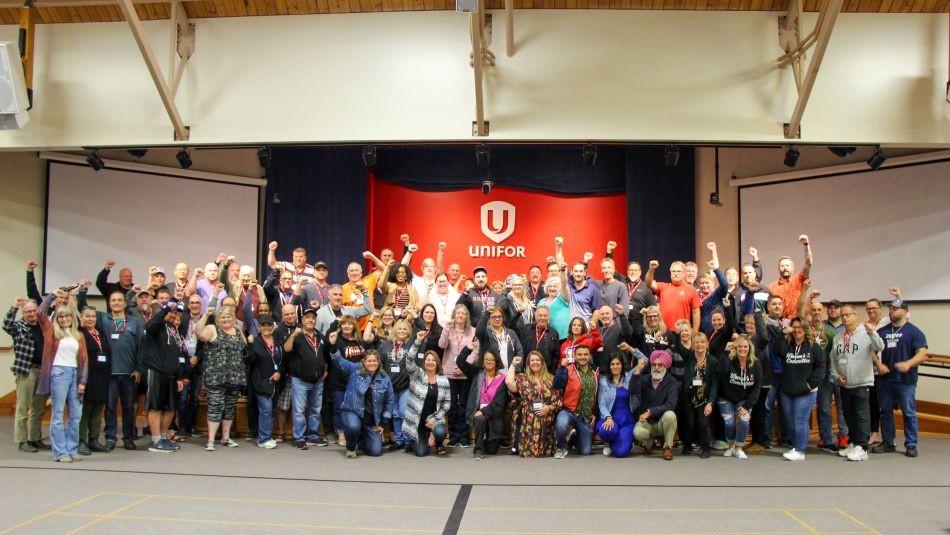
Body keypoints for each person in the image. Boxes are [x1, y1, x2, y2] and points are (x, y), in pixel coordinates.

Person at [36, 291, 88, 463]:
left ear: (72, 318)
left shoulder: (78, 336)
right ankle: (60, 452)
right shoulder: (52, 332)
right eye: (61, 316)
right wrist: (51, 296)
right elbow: (40, 313)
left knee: (76, 415)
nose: (64, 319)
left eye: (67, 316)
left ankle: (72, 449)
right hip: (59, 373)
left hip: (75, 374)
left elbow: (84, 360)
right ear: (57, 318)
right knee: (58, 413)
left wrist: (82, 382)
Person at [873, 299, 929, 458]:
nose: (891, 311)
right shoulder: (882, 331)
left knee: (909, 413)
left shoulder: (914, 332)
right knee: (885, 412)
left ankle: (911, 444)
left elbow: (923, 354)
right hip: (885, 379)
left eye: (895, 309)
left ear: (904, 312)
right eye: (890, 309)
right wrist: (878, 364)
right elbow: (871, 350)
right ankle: (888, 443)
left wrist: (908, 363)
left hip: (905, 381)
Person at [830, 305, 884, 462]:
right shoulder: (838, 337)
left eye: (848, 315)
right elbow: (833, 359)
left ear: (855, 316)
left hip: (861, 382)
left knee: (861, 416)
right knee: (849, 415)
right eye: (842, 315)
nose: (845, 318)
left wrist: (872, 333)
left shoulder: (866, 333)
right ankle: (853, 443)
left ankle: (862, 448)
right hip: (844, 383)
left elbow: (880, 346)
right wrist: (835, 375)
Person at [774, 296, 825, 462]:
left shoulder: (813, 346)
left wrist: (811, 384)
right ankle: (796, 447)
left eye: (799, 327)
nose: (796, 330)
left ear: (805, 328)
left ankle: (800, 450)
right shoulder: (787, 344)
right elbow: (777, 351)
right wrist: (783, 333)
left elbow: (820, 366)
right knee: (789, 421)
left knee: (800, 420)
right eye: (794, 327)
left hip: (806, 391)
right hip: (787, 390)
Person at [138, 299, 188, 453]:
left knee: (171, 408)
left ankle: (163, 437)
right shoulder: (157, 326)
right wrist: (165, 310)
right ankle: (155, 440)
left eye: (176, 314)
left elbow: (178, 356)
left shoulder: (175, 332)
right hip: (155, 371)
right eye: (171, 313)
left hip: (171, 374)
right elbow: (149, 326)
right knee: (155, 406)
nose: (174, 316)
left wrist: (179, 376)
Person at [196, 305, 247, 450]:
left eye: (229, 317)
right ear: (219, 318)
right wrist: (205, 315)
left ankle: (226, 438)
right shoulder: (213, 329)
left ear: (233, 318)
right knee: (215, 407)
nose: (226, 319)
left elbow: (245, 347)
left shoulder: (238, 331)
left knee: (230, 407)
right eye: (223, 317)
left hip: (235, 376)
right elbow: (198, 332)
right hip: (216, 376)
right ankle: (211, 440)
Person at [98, 290, 144, 451]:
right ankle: (110, 438)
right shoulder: (103, 319)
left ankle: (128, 437)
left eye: (119, 300)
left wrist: (138, 369)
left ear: (125, 303)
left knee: (129, 408)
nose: (116, 303)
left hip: (129, 373)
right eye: (113, 300)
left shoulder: (134, 321)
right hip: (109, 373)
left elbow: (141, 347)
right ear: (109, 303)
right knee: (110, 407)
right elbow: (83, 310)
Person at [4, 296, 51, 453]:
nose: (31, 313)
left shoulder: (43, 325)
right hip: (27, 370)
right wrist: (14, 307)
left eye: (33, 310)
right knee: (23, 407)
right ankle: (22, 440)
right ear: (23, 313)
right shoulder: (18, 326)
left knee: (38, 407)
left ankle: (35, 438)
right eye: (28, 311)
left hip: (43, 370)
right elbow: (6, 324)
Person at [330, 348, 395, 458]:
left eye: (374, 361)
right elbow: (339, 361)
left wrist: (383, 424)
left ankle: (360, 440)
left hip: (372, 420)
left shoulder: (385, 379)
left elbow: (390, 401)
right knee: (353, 427)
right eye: (369, 361)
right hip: (353, 412)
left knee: (376, 451)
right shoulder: (355, 371)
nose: (372, 363)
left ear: (379, 362)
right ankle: (350, 447)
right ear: (364, 362)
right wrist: (332, 346)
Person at [282, 308, 330, 450]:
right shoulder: (296, 334)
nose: (310, 320)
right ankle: (299, 438)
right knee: (299, 410)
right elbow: (286, 349)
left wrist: (325, 371)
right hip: (300, 380)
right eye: (307, 317)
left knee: (315, 409)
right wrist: (293, 335)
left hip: (318, 381)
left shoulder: (320, 336)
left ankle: (313, 436)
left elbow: (326, 356)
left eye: (313, 318)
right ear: (302, 320)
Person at [366, 317, 416, 451]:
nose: (402, 331)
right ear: (395, 329)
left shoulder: (410, 344)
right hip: (389, 387)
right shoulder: (385, 345)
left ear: (409, 331)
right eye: (399, 328)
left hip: (406, 386)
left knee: (403, 412)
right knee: (394, 414)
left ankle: (407, 440)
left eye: (405, 329)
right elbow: (378, 364)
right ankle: (398, 440)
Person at [455, 343, 508, 460]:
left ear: (497, 362)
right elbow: (460, 361)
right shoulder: (476, 374)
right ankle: (478, 449)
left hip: (494, 416)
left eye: (492, 360)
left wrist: (483, 411)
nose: (488, 362)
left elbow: (499, 404)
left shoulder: (503, 379)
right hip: (478, 415)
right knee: (480, 418)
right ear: (482, 361)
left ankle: (485, 441)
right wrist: (467, 348)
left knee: (491, 450)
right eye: (486, 359)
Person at [505, 352, 561, 458]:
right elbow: (509, 383)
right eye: (532, 360)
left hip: (546, 414)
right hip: (527, 415)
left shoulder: (551, 379)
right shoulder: (522, 378)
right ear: (528, 363)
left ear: (542, 362)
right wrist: (513, 365)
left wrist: (548, 408)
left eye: (537, 360)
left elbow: (558, 401)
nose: (535, 362)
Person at [673, 330, 718, 458]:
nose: (699, 345)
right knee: (689, 423)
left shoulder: (712, 361)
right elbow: (678, 346)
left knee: (703, 423)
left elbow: (715, 383)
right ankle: (687, 446)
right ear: (693, 345)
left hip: (704, 399)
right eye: (696, 342)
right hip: (689, 397)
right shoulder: (689, 357)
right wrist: (677, 333)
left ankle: (706, 448)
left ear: (706, 344)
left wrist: (710, 402)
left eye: (702, 342)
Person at [438, 304, 478, 448]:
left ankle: (464, 436)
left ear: (467, 316)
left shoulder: (473, 331)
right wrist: (446, 328)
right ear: (454, 315)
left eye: (463, 313)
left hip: (465, 373)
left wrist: (463, 367)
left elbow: (475, 352)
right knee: (452, 406)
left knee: (465, 406)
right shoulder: (448, 330)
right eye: (458, 313)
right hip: (449, 373)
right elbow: (441, 345)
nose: (461, 315)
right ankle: (454, 436)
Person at [402, 341, 451, 457]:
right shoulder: (417, 375)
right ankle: (419, 438)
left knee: (440, 432)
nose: (430, 362)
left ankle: (439, 443)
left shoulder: (443, 380)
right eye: (428, 360)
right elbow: (409, 360)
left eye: (433, 360)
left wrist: (435, 419)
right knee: (421, 453)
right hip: (417, 421)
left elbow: (447, 403)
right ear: (424, 362)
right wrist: (417, 342)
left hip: (433, 420)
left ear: (437, 363)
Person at [717, 334, 762, 459]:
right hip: (726, 397)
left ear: (749, 348)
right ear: (735, 348)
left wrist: (748, 406)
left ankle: (739, 447)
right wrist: (726, 352)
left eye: (745, 346)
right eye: (740, 347)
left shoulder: (755, 363)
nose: (742, 349)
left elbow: (757, 385)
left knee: (744, 420)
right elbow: (721, 370)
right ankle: (731, 446)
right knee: (730, 423)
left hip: (744, 399)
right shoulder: (729, 359)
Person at [327, 315, 368, 446]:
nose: (347, 326)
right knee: (339, 408)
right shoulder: (336, 339)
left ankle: (355, 434)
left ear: (354, 326)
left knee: (356, 408)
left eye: (350, 324)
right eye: (344, 324)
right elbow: (332, 353)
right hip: (339, 380)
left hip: (356, 382)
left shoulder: (359, 340)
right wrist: (334, 323)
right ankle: (341, 434)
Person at [552, 345, 598, 458]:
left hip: (584, 415)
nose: (582, 357)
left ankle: (574, 437)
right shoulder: (568, 369)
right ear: (575, 356)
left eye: (585, 354)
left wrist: (594, 413)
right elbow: (557, 385)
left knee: (585, 451)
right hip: (568, 411)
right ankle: (562, 447)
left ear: (589, 356)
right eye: (580, 354)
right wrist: (561, 368)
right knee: (561, 425)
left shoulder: (595, 372)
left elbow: (597, 395)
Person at [632, 351, 679, 461]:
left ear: (666, 366)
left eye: (660, 365)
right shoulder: (644, 379)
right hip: (647, 423)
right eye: (654, 364)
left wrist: (649, 411)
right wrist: (637, 370)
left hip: (663, 423)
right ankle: (649, 445)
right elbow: (633, 391)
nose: (656, 368)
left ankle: (667, 446)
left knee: (670, 415)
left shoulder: (672, 382)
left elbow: (670, 404)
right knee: (637, 432)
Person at [245, 315, 283, 448]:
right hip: (260, 381)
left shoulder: (277, 340)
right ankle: (263, 439)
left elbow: (283, 360)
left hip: (275, 381)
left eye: (269, 325)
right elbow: (249, 360)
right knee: (266, 409)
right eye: (263, 325)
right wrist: (249, 345)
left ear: (272, 326)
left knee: (271, 409)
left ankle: (266, 435)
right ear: (259, 327)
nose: (266, 328)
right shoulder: (255, 341)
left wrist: (279, 372)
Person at [77, 306, 111, 455]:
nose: (90, 319)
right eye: (87, 316)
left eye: (93, 317)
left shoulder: (99, 333)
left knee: (97, 410)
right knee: (85, 410)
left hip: (101, 377)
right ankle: (80, 441)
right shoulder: (79, 334)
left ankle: (94, 439)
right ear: (81, 318)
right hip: (87, 377)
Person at [597, 354, 644, 458]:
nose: (615, 366)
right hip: (610, 418)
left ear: (622, 365)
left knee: (620, 453)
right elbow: (601, 403)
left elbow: (645, 360)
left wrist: (630, 349)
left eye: (618, 364)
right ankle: (608, 443)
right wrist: (608, 417)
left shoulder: (629, 377)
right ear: (609, 366)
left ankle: (624, 442)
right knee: (606, 432)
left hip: (626, 420)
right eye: (612, 364)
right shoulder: (603, 380)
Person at [768, 235, 813, 320]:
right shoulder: (771, 287)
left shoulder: (799, 279)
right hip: (778, 323)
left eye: (787, 265)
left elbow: (808, 263)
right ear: (778, 268)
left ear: (792, 268)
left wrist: (806, 245)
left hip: (796, 322)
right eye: (782, 266)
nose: (785, 267)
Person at [513, 304, 561, 374]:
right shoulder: (525, 329)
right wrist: (518, 314)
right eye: (540, 315)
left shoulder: (554, 333)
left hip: (545, 372)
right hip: (526, 370)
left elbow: (555, 357)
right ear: (535, 316)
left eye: (545, 315)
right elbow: (512, 327)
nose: (542, 318)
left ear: (549, 317)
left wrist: (552, 373)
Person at [475, 306, 524, 371]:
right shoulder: (485, 333)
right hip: (492, 374)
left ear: (502, 318)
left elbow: (519, 351)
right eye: (493, 317)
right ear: (488, 319)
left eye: (499, 316)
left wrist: (517, 369)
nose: (497, 319)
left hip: (510, 374)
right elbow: (478, 331)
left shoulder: (511, 333)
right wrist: (487, 313)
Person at [537, 276, 571, 341]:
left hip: (563, 336)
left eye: (555, 286)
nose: (552, 288)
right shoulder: (541, 301)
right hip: (547, 335)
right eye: (550, 286)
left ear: (559, 288)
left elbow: (564, 286)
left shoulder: (563, 298)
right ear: (546, 288)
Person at [624, 261, 656, 327]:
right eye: (630, 270)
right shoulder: (623, 283)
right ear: (627, 272)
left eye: (635, 270)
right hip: (624, 324)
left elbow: (653, 308)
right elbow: (613, 271)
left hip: (640, 325)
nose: (633, 272)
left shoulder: (647, 287)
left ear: (640, 272)